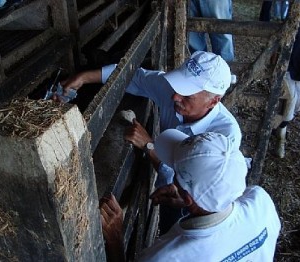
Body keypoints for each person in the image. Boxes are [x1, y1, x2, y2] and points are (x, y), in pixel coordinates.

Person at [59, 50, 242, 233]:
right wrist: (83, 77)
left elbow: (193, 190)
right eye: (179, 87)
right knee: (165, 227)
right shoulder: (173, 92)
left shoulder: (225, 137)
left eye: (187, 95)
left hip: (197, 213)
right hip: (169, 194)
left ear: (214, 101)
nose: (175, 97)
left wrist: (149, 146)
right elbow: (135, 77)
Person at [100, 131, 281, 262]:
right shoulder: (261, 204)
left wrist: (115, 238)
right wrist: (189, 203)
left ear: (188, 198)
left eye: (175, 173)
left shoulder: (166, 257)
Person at [275, 27, 300, 158]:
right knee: (288, 102)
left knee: (296, 105)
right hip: (288, 66)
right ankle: (281, 138)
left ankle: (277, 126)